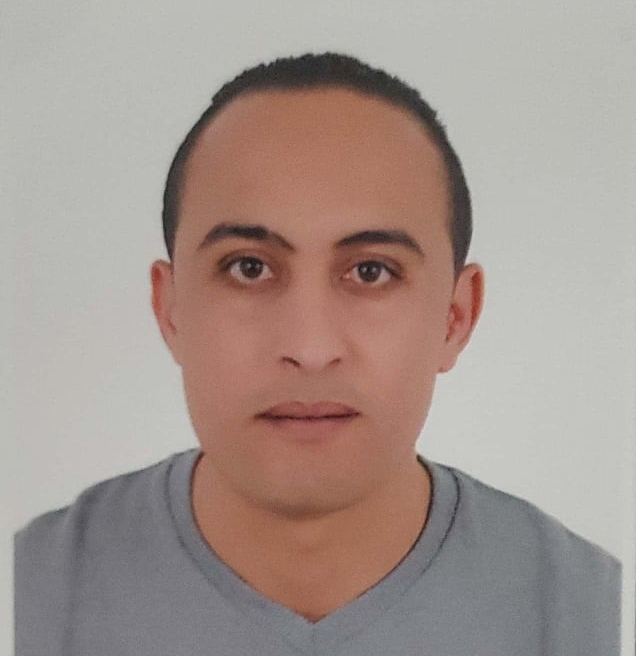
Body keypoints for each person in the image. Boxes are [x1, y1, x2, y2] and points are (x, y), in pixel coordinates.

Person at [14, 52, 621, 655]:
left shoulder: (600, 621)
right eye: (248, 268)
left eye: (372, 271)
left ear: (455, 317)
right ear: (171, 308)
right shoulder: (28, 598)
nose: (309, 349)